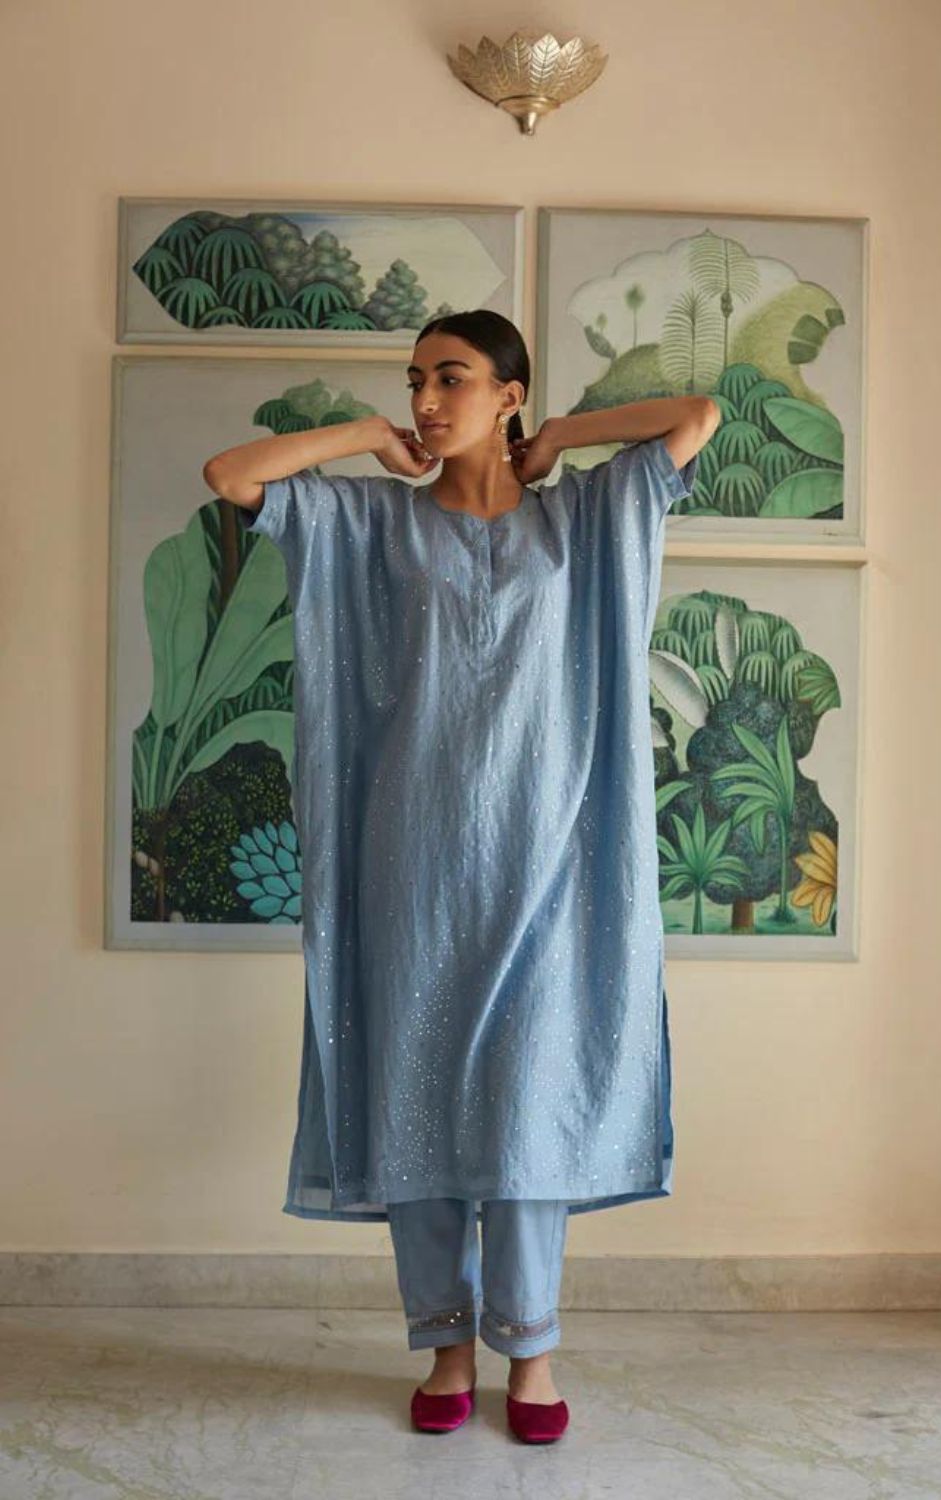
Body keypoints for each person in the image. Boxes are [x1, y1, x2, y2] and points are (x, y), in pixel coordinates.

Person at [202, 311, 718, 1441]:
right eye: (416, 382)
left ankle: (530, 1352)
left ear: (508, 394)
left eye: (453, 380)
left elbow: (695, 417)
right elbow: (233, 475)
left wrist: (563, 438)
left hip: (555, 866)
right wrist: (363, 434)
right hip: (414, 866)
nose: (429, 401)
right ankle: (444, 1346)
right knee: (418, 1099)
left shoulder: (582, 519)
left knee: (530, 1106)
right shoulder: (370, 524)